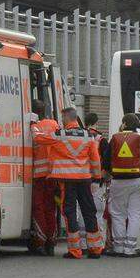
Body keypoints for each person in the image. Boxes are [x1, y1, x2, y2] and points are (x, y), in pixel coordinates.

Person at [35, 107, 102, 259]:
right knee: (89, 211)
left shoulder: (60, 135)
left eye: (62, 118)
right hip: (85, 180)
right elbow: (95, 160)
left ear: (66, 117)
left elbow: (38, 139)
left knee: (70, 213)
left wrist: (34, 126)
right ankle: (95, 249)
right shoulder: (88, 135)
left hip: (67, 181)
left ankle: (75, 250)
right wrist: (96, 178)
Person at [103, 112, 140, 257]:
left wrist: (105, 180)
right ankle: (130, 248)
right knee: (135, 214)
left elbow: (105, 163)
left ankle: (118, 247)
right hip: (138, 181)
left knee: (117, 214)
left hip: (117, 181)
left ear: (124, 123)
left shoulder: (115, 138)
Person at [29, 100, 60, 255]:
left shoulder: (34, 127)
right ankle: (51, 242)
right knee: (51, 208)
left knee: (38, 208)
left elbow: (36, 140)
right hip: (53, 174)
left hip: (39, 175)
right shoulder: (54, 124)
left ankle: (40, 241)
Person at [84, 111, 110, 250]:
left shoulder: (80, 136)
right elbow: (106, 162)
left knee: (82, 211)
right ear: (96, 122)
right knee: (98, 213)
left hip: (82, 179)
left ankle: (83, 243)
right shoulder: (101, 139)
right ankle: (99, 244)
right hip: (97, 181)